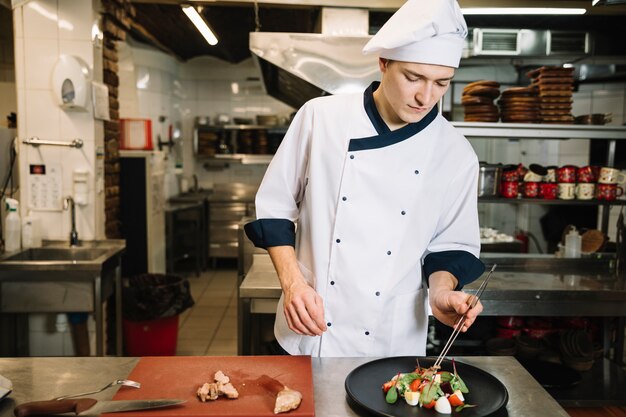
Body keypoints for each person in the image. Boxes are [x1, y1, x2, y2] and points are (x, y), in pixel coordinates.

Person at [245, 0, 485, 357]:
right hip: (311, 322)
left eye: (441, 83)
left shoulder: (456, 153)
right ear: (383, 63)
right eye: (413, 77)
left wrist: (441, 293)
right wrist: (292, 283)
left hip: (392, 335)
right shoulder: (320, 118)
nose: (425, 97)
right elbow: (275, 209)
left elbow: (450, 247)